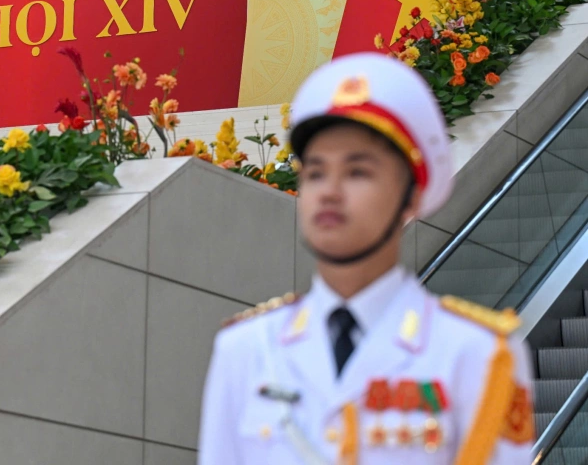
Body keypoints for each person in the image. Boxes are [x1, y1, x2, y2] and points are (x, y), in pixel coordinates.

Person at [198, 53, 535, 464]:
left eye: (357, 172)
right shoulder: (246, 349)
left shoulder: (478, 353)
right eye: (316, 172)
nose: (329, 191)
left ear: (410, 195)